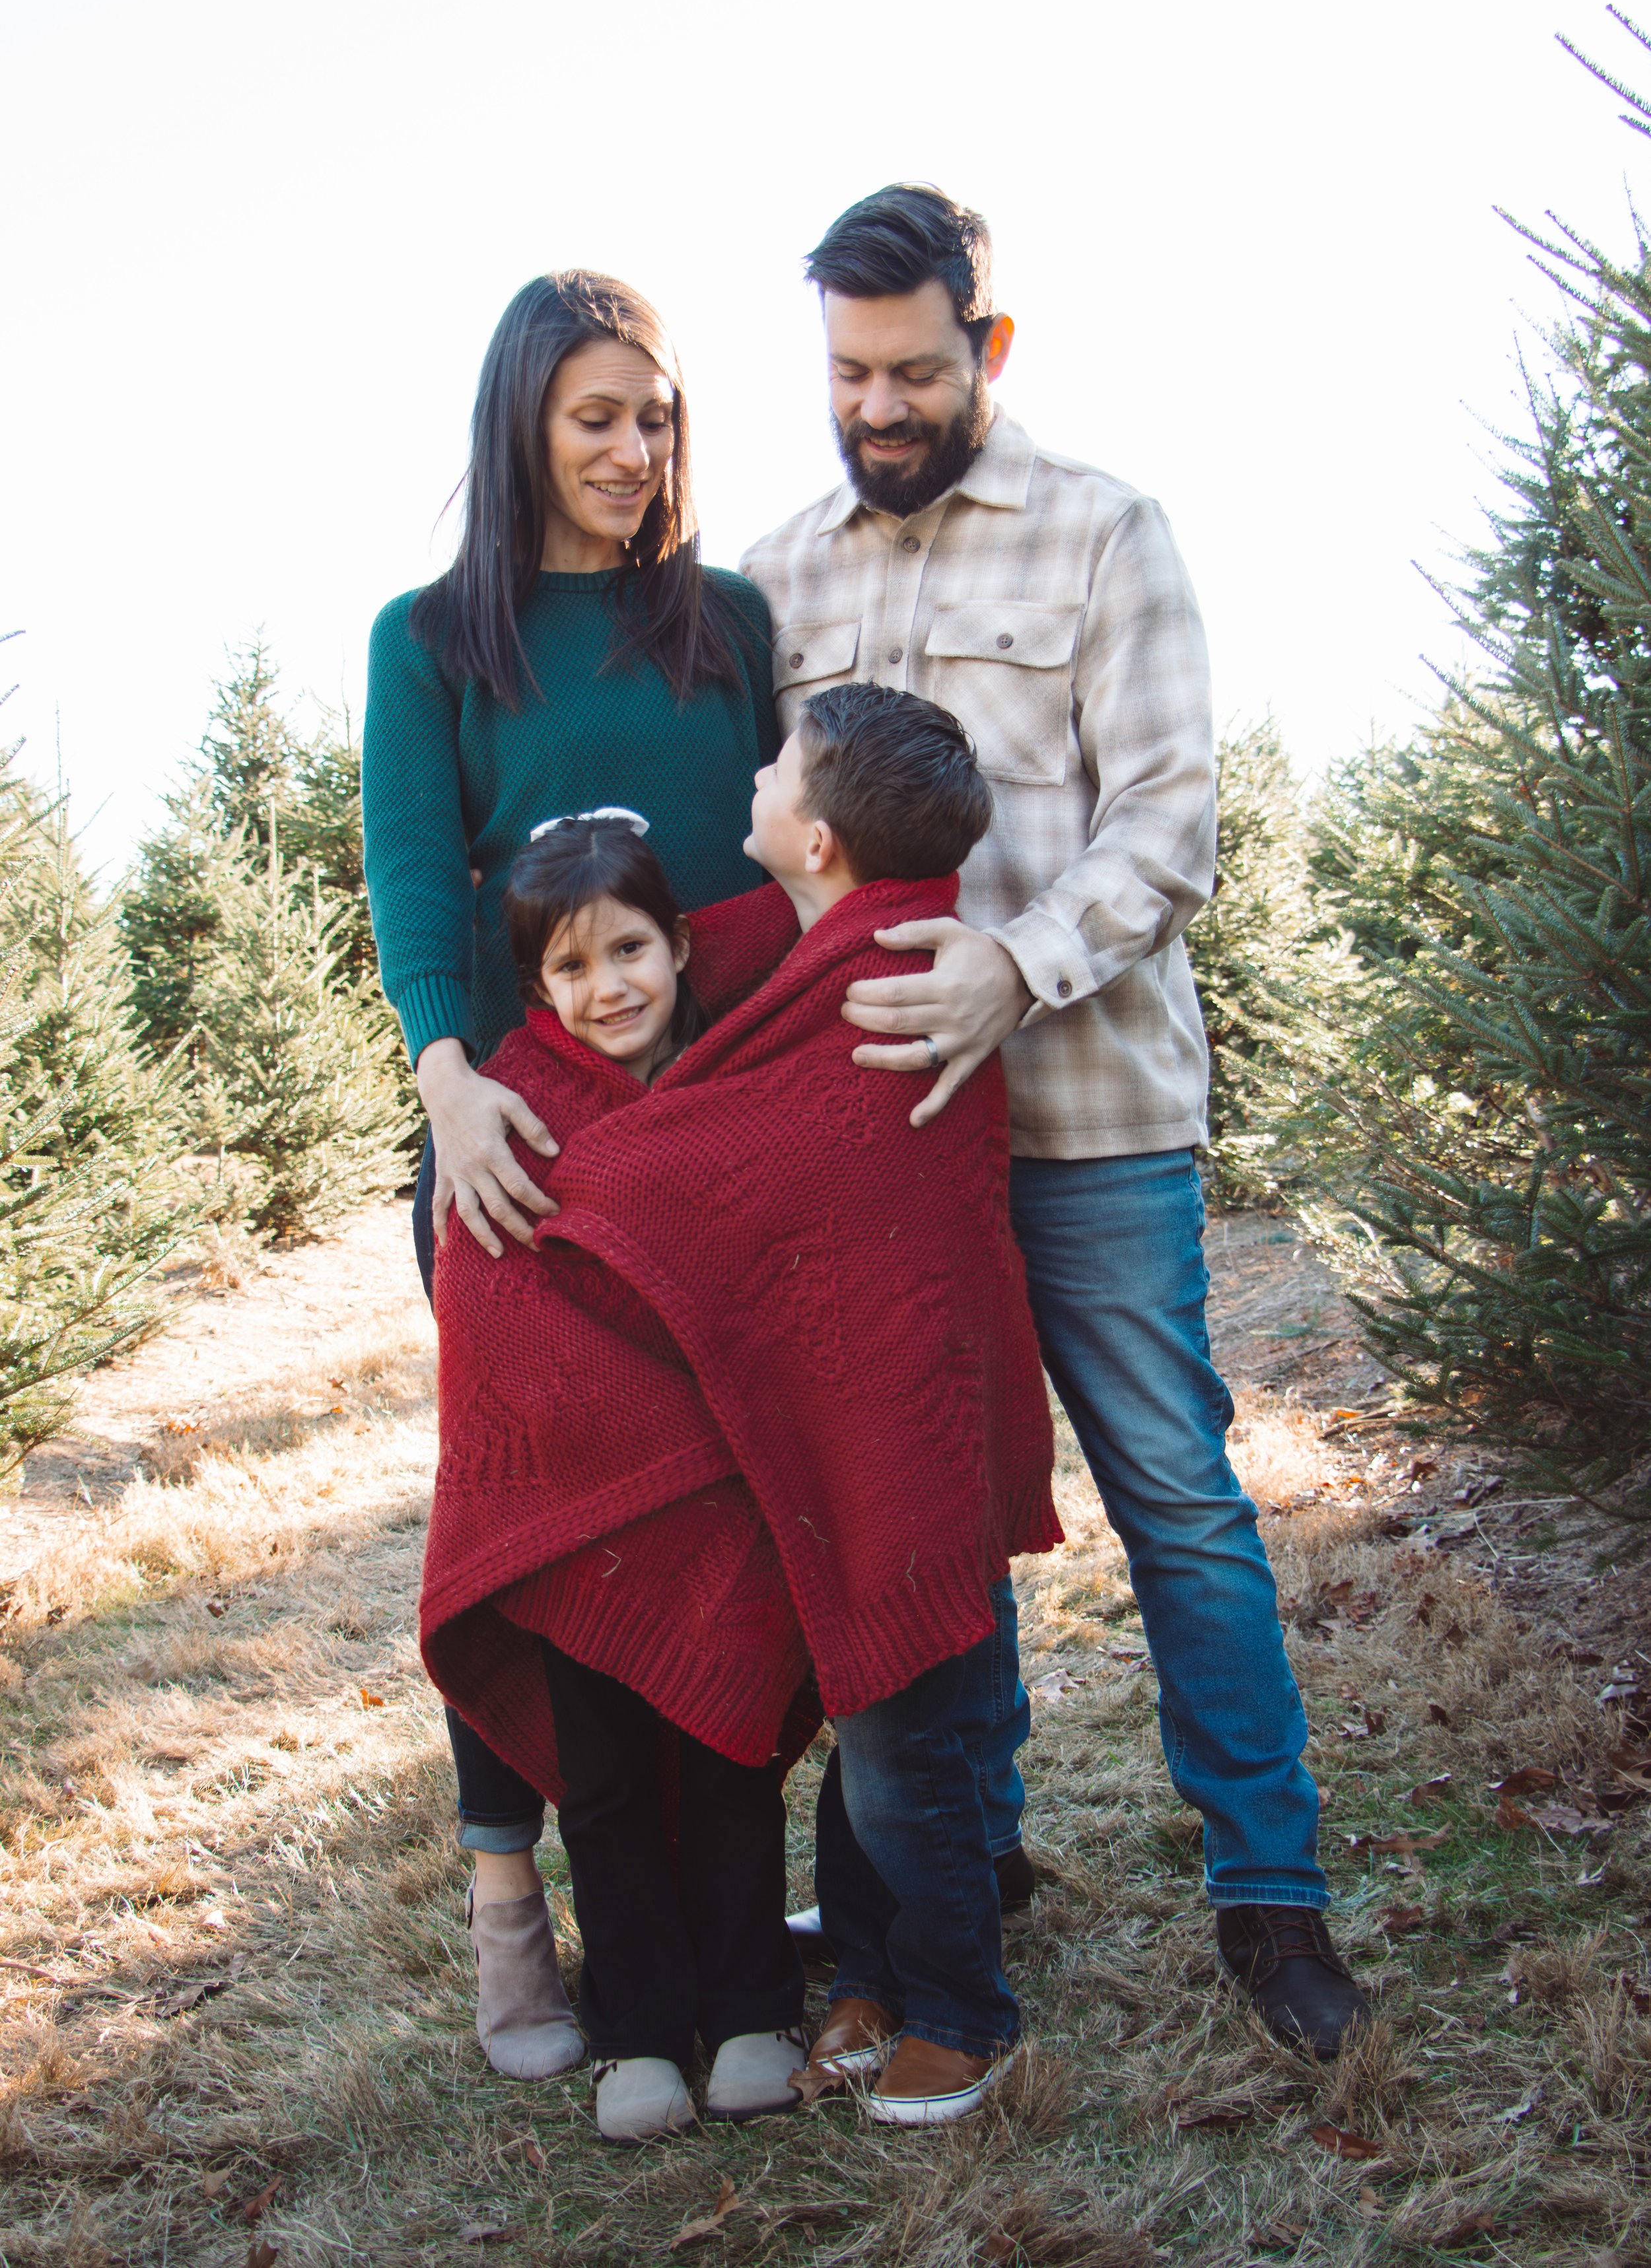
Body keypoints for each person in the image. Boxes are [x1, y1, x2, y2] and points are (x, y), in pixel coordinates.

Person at [741, 185, 1372, 2059]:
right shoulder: (774, 577)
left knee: (1171, 1494)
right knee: (928, 1508)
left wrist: (1010, 970)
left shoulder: (1106, 533)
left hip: (1087, 1120)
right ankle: (971, 1853)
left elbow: (1165, 825)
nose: (876, 406)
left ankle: (1270, 1895)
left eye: (913, 370)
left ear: (988, 347)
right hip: (878, 1150)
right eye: (847, 374)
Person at [421, 686, 1061, 2137]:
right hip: (709, 1477)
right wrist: (460, 1078)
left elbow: (691, 1167)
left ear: (815, 836)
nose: (752, 776)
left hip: (873, 1456)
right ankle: (770, 1999)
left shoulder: (885, 975)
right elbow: (649, 956)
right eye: (571, 967)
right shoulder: (804, 953)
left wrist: (582, 1172)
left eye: (776, 767)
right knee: (790, 1757)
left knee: (879, 1747)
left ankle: (930, 2006)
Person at [361, 271, 779, 2081]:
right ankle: (506, 1905)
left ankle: (720, 1941)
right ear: (521, 424)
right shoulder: (432, 640)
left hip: (712, 1152)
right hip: (513, 1145)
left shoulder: (725, 620)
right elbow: (408, 871)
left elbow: (784, 870)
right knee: (531, 1520)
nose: (633, 450)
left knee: (721, 1518)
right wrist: (450, 1089)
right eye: (595, 417)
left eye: (655, 416)